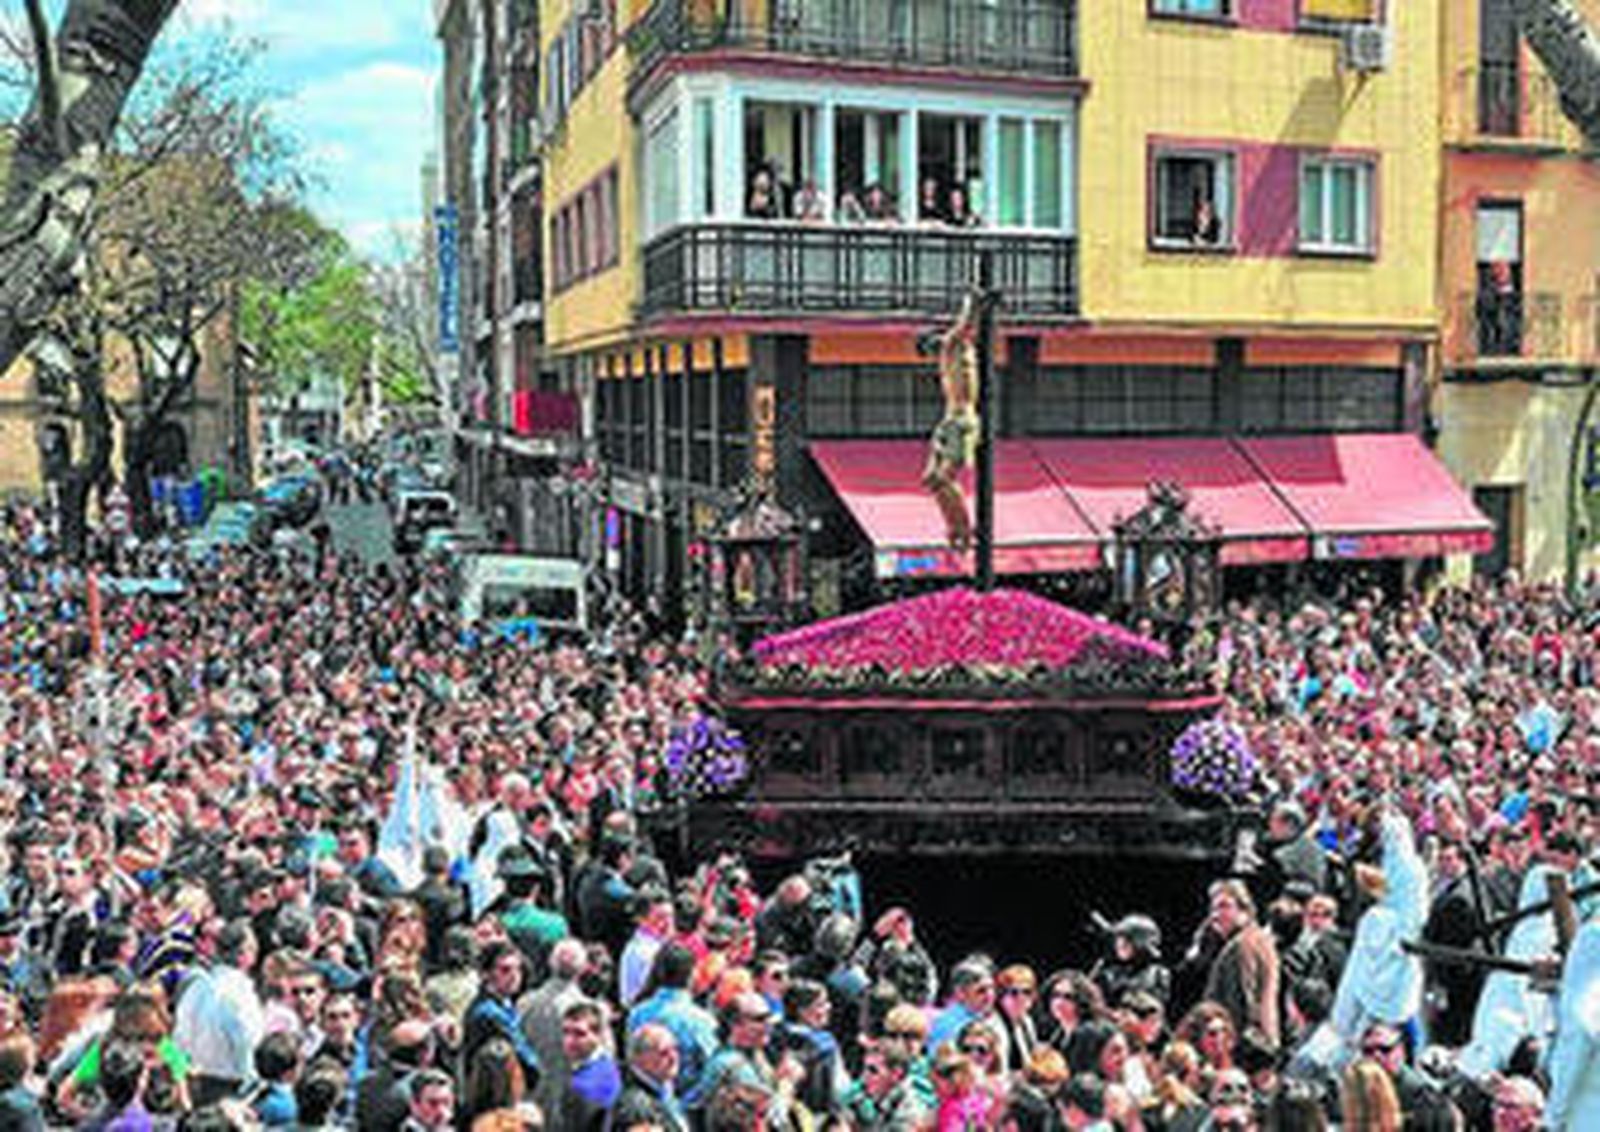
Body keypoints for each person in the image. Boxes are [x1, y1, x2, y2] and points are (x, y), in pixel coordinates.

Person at [919, 288, 981, 553]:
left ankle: (965, 530)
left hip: (961, 420)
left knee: (944, 478)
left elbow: (966, 323)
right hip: (949, 419)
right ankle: (954, 527)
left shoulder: (954, 344)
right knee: (931, 479)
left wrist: (972, 299)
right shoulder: (948, 354)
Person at [1201, 881, 1281, 1054]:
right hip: (1264, 1045)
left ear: (1245, 910)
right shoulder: (1262, 941)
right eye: (1213, 909)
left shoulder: (1240, 947)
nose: (1215, 915)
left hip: (1245, 1050)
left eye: (1224, 906)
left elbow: (1241, 1007)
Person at [558, 1000, 621, 1131]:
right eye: (566, 1032)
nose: (570, 1041)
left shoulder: (584, 1085)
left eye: (579, 1034)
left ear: (598, 1035)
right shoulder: (612, 1068)